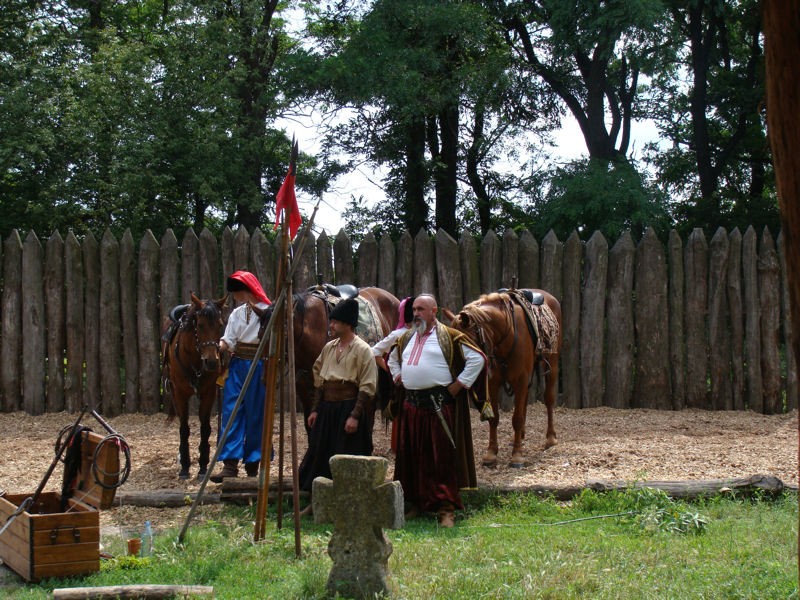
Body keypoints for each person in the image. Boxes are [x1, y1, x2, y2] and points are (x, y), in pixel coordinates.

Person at [387, 293, 486, 528]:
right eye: (414, 310)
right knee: (411, 458)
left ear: (434, 311)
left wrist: (458, 386)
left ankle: (446, 509)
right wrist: (399, 375)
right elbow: (391, 358)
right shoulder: (407, 337)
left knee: (441, 459)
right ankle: (416, 504)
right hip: (411, 407)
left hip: (438, 407)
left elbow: (478, 359)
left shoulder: (450, 337)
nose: (416, 313)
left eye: (421, 309)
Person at [298, 297, 378, 509]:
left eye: (335, 322)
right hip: (327, 410)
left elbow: (367, 386)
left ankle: (347, 503)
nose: (330, 325)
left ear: (348, 325)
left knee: (345, 455)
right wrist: (315, 409)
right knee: (321, 453)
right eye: (331, 321)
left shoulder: (363, 350)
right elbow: (320, 381)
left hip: (348, 408)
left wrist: (354, 415)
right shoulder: (329, 348)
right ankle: (318, 502)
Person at [210, 270, 271, 482]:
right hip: (237, 367)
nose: (234, 296)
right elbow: (229, 339)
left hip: (259, 366)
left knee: (256, 413)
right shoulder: (237, 313)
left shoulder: (269, 311)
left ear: (247, 290)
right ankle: (230, 464)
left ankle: (253, 464)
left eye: (237, 292)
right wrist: (218, 347)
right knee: (231, 412)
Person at [371, 296, 414, 451]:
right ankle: (400, 445)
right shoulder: (398, 335)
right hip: (403, 383)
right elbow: (374, 352)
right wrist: (391, 372)